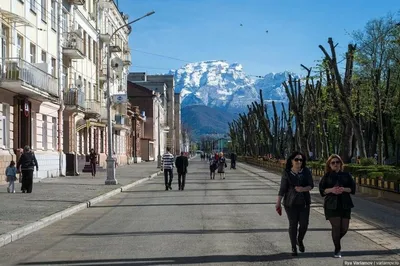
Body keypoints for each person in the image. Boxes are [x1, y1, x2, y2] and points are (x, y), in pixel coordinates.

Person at [275, 151, 314, 256]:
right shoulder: (287, 172)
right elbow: (282, 189)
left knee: (304, 224)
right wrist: (278, 202)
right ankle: (293, 247)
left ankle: (299, 240)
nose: (299, 162)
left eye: (301, 160)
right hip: (290, 202)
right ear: (291, 161)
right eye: (296, 159)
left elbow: (311, 185)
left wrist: (303, 189)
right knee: (293, 224)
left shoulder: (306, 171)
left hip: (304, 202)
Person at [319, 154, 356, 258]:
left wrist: (343, 189)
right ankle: (337, 249)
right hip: (331, 205)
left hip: (345, 204)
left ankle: (336, 240)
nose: (335, 164)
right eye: (333, 163)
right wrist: (332, 190)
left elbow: (352, 189)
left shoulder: (347, 175)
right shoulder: (326, 176)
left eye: (337, 162)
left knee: (344, 228)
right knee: (336, 227)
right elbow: (322, 190)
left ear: (340, 164)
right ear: (329, 165)